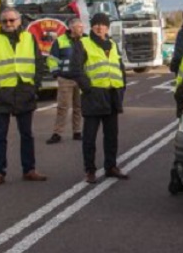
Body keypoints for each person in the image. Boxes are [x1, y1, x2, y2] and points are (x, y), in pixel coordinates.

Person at [0, 6, 49, 187]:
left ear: (19, 21)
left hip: (24, 92)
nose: (9, 23)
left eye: (12, 20)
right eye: (5, 21)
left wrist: (34, 87)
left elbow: (39, 64)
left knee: (27, 134)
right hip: (4, 94)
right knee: (0, 136)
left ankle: (29, 170)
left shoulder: (29, 38)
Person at [72, 12, 128, 182]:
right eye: (96, 24)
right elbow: (76, 69)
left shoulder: (113, 44)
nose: (99, 27)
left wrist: (122, 88)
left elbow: (120, 68)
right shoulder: (83, 43)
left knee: (111, 136)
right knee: (89, 137)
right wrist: (88, 88)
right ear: (92, 26)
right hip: (93, 96)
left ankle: (111, 167)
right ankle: (90, 170)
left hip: (112, 96)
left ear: (107, 28)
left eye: (103, 24)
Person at [46, 16, 86, 144]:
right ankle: (57, 133)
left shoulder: (86, 40)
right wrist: (56, 73)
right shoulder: (60, 41)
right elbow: (52, 59)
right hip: (65, 79)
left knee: (79, 107)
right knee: (63, 107)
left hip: (81, 79)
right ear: (71, 28)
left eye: (82, 27)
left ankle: (77, 132)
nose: (82, 29)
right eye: (79, 27)